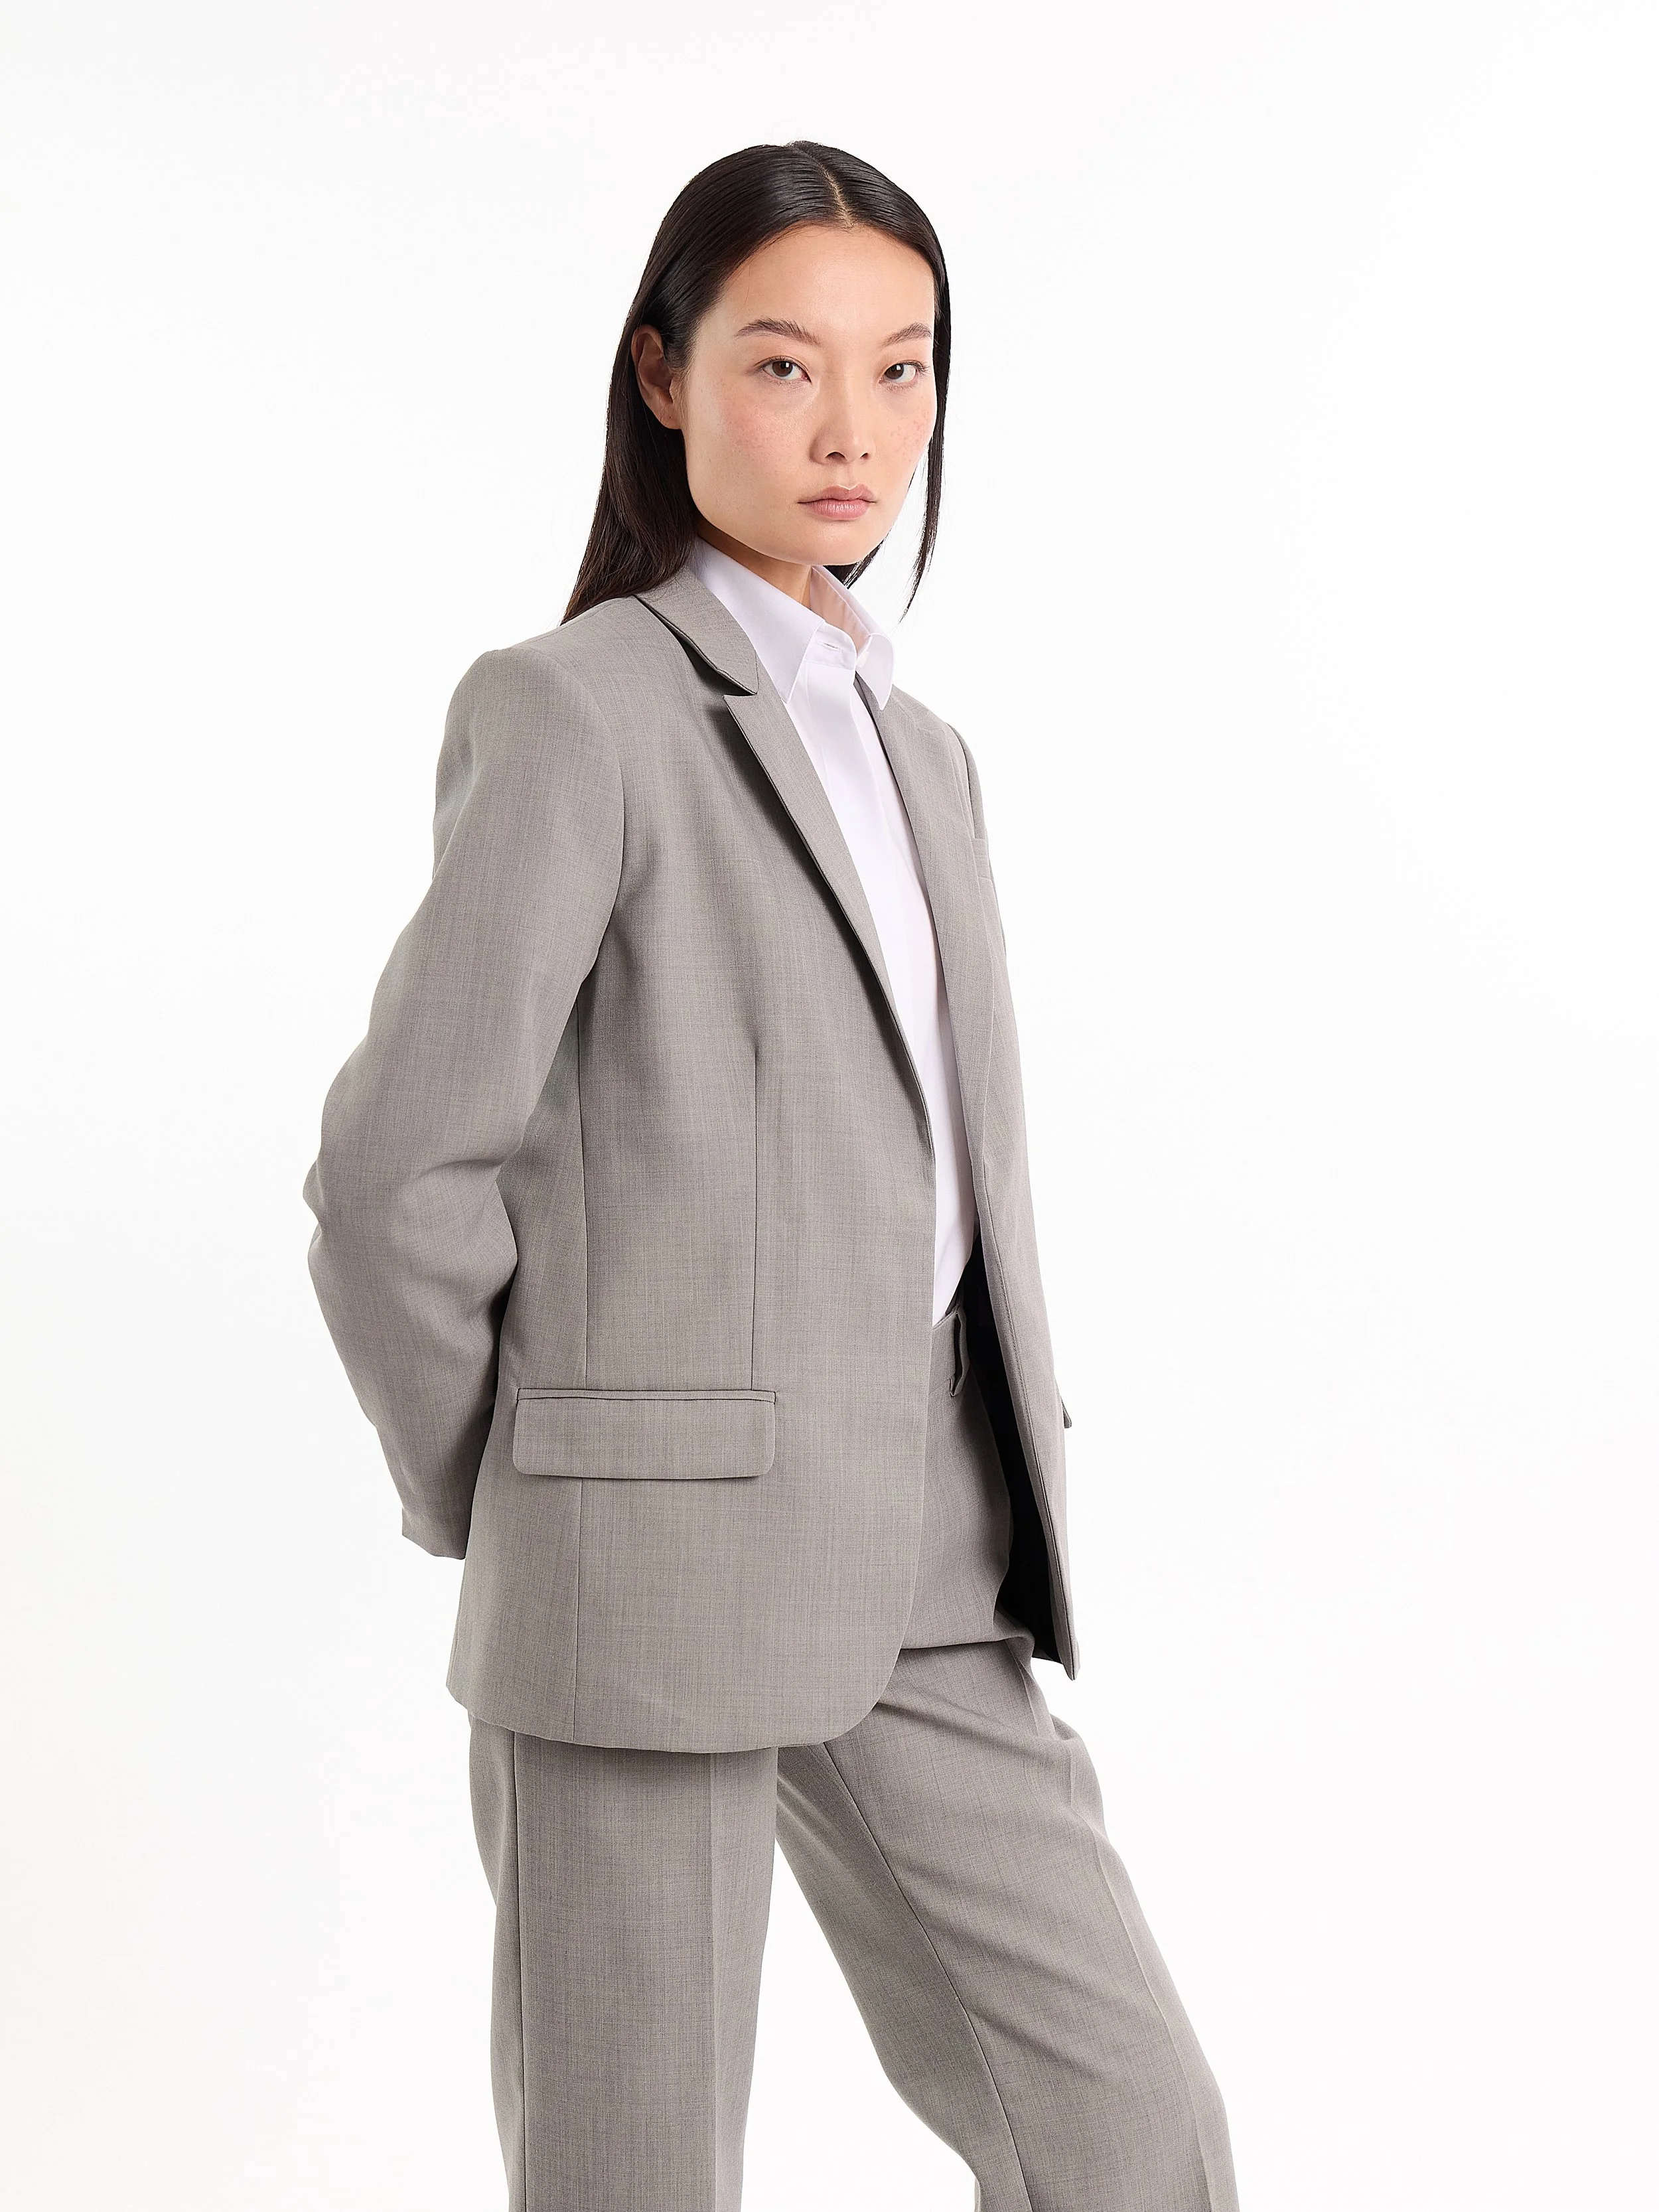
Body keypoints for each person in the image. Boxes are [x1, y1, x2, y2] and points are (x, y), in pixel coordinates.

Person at [303, 139, 1238, 2212]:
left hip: (929, 1533)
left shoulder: (922, 747)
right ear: (662, 376)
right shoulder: (576, 714)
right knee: (630, 2170)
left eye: (900, 373)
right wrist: (533, 1479)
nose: (853, 431)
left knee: (1126, 2130)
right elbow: (392, 1171)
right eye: (785, 366)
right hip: (635, 1565)